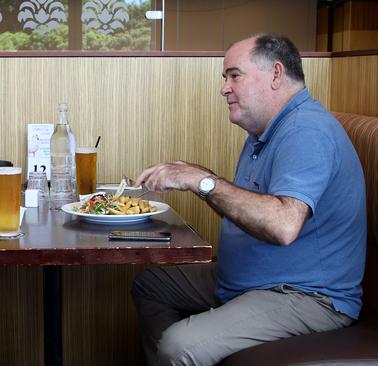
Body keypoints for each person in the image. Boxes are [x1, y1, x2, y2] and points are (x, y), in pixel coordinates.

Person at [131, 33, 366, 366]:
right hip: (249, 279)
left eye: (234, 75)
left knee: (178, 346)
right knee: (152, 285)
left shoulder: (305, 131)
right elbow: (247, 204)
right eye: (225, 78)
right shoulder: (266, 131)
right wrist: (198, 177)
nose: (224, 88)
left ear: (275, 74)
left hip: (306, 296)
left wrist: (202, 181)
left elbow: (283, 225)